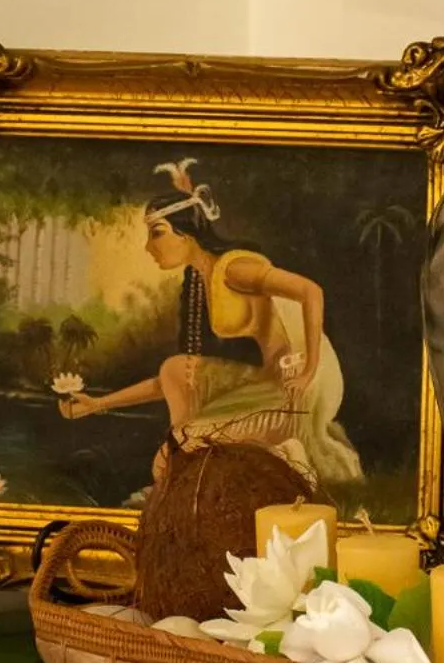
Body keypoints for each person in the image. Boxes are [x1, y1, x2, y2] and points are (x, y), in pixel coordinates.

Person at [58, 160, 363, 487]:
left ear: (187, 232)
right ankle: (189, 454)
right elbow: (174, 381)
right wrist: (98, 404)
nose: (149, 247)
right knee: (175, 369)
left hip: (293, 395)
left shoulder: (235, 269)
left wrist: (309, 369)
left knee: (166, 462)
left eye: (157, 234)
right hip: (265, 382)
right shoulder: (201, 277)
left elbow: (310, 291)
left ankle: (279, 453)